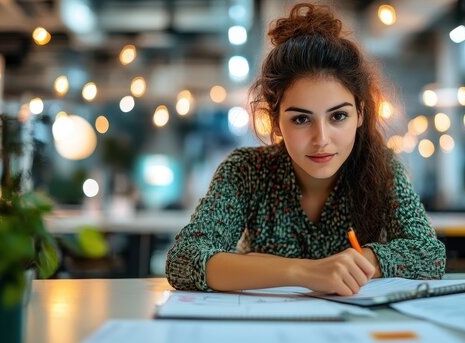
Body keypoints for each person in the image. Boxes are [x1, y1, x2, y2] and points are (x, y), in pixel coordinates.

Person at [166, 3, 445, 296]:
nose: (321, 138)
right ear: (274, 122)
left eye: (338, 116)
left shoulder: (381, 165)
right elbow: (185, 259)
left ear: (360, 114)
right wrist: (305, 272)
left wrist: (360, 262)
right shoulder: (246, 170)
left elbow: (429, 253)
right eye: (301, 119)